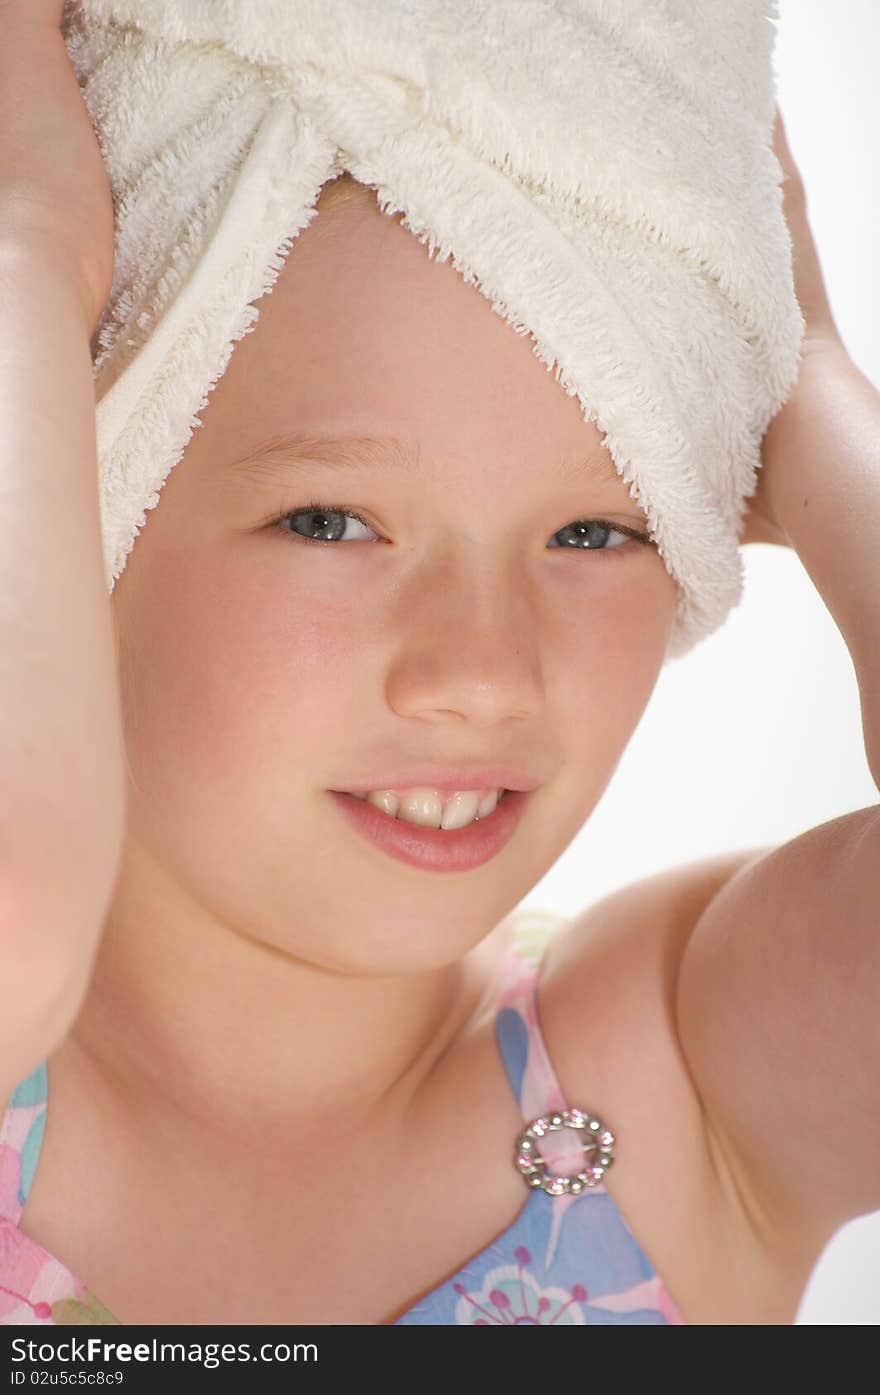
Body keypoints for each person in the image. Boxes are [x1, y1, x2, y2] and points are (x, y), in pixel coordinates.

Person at [1, 0, 878, 1327]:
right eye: (332, 523)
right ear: (89, 494)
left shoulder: (685, 1088)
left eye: (596, 530)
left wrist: (805, 382)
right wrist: (23, 254)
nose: (483, 674)